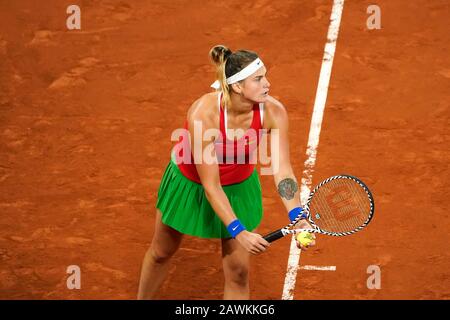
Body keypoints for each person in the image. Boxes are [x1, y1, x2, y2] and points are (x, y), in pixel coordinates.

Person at [137, 45, 316, 300]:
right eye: (258, 79)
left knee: (238, 272)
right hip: (191, 186)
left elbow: (282, 169)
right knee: (162, 251)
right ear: (238, 87)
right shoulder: (203, 114)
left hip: (238, 188)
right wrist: (239, 231)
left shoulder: (273, 112)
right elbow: (210, 186)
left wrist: (297, 214)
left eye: (265, 76)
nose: (268, 83)